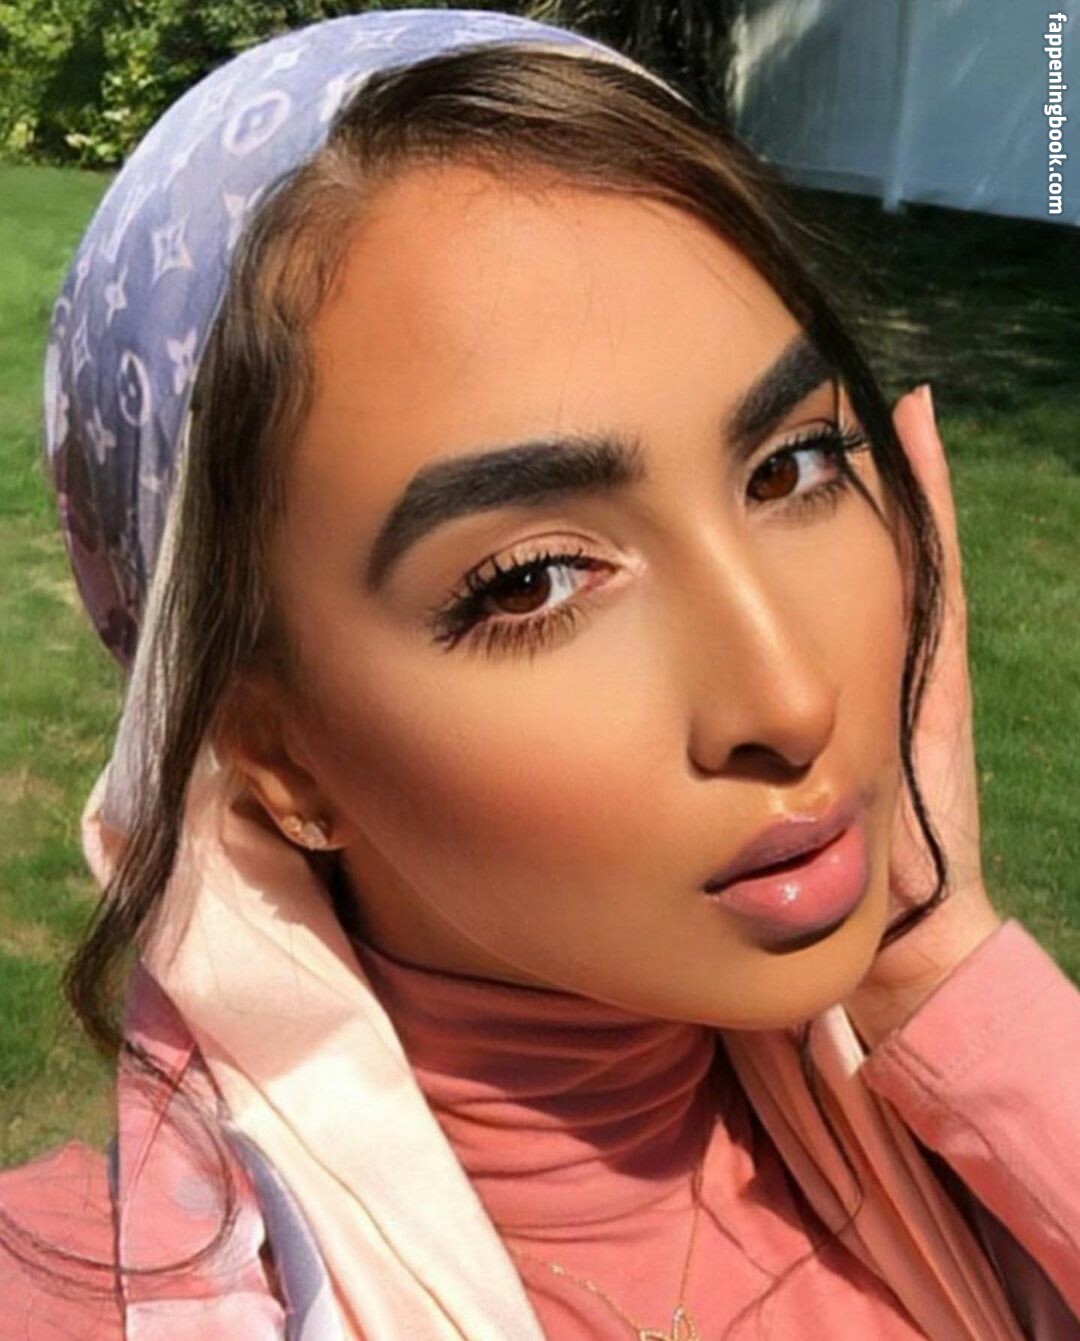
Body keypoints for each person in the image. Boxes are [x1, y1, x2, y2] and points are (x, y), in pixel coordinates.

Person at [1, 8, 1077, 1339]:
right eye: (531, 582)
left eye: (791, 467)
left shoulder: (972, 1135)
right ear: (280, 758)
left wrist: (940, 967)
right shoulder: (100, 1296)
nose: (792, 698)